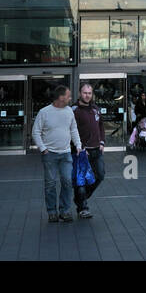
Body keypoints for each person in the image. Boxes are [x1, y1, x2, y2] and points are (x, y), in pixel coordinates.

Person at [32, 84, 83, 222]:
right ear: (61, 97)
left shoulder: (69, 111)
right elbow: (35, 132)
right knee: (50, 184)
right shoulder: (44, 112)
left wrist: (78, 144)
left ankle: (64, 211)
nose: (70, 98)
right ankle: (52, 212)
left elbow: (73, 129)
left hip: (66, 153)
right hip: (50, 154)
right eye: (68, 96)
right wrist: (43, 149)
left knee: (67, 181)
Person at [73, 83, 106, 218]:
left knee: (100, 175)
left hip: (96, 150)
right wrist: (79, 147)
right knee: (81, 181)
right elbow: (70, 131)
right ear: (80, 93)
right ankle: (83, 208)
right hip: (81, 152)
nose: (87, 95)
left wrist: (102, 142)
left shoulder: (96, 109)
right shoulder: (74, 110)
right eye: (85, 93)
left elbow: (101, 126)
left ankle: (81, 198)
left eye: (89, 93)